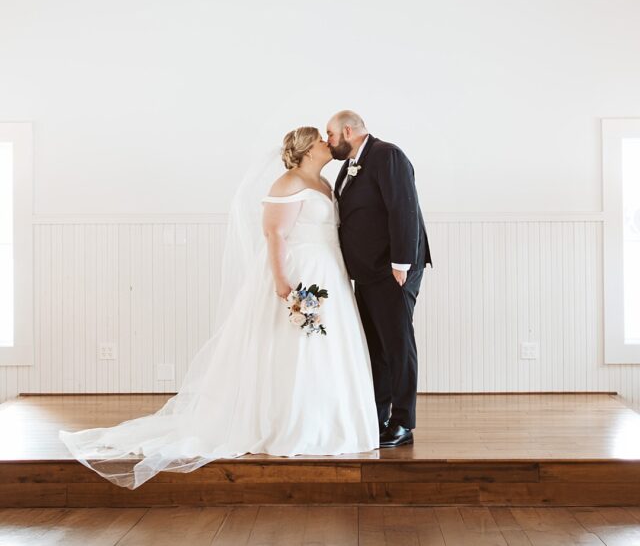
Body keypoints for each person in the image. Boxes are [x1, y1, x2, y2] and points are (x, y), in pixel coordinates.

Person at [58, 126, 379, 488]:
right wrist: (283, 284)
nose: (326, 141)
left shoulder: (322, 183)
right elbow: (275, 234)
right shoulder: (286, 183)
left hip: (329, 271)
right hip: (301, 274)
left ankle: (329, 420)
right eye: (320, 138)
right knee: (293, 349)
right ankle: (287, 423)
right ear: (306, 149)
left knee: (328, 350)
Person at [327, 111, 432, 448]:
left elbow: (403, 207)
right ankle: (379, 415)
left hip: (392, 270)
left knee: (397, 344)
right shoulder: (351, 165)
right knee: (376, 346)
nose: (327, 142)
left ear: (347, 130)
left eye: (330, 134)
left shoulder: (387, 155)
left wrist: (401, 263)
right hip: (368, 272)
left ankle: (403, 422)